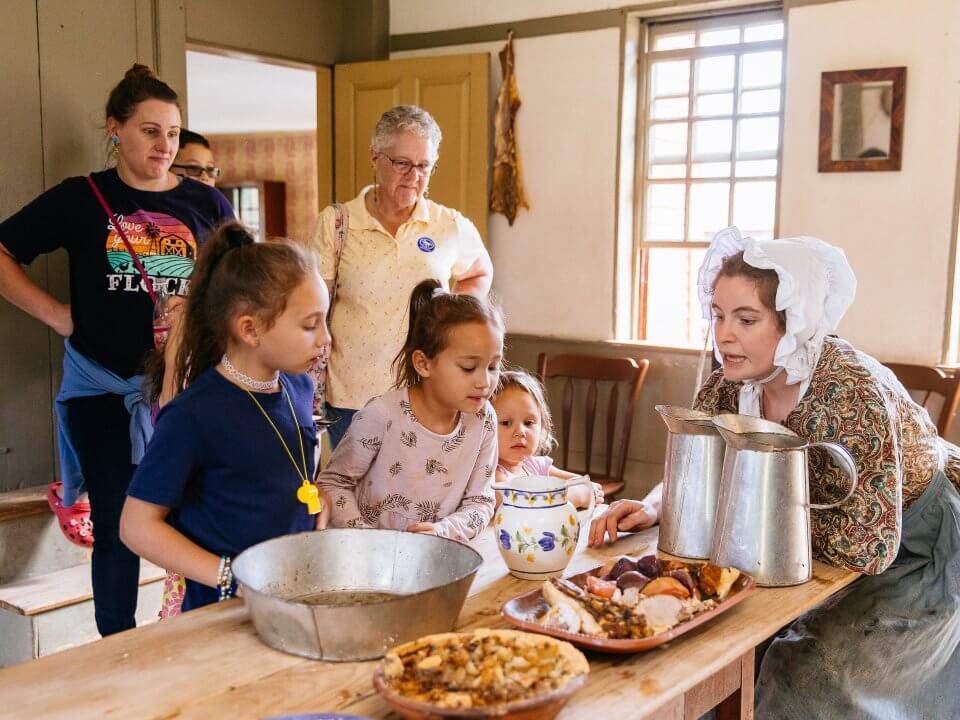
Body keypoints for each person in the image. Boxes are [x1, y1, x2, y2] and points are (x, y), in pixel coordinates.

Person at [589, 226, 960, 718]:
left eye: (747, 319)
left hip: (914, 550)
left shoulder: (852, 393)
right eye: (718, 315)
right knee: (707, 650)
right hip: (803, 552)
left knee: (808, 677)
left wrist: (757, 533)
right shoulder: (727, 387)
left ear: (793, 323)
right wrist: (655, 506)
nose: (724, 334)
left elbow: (867, 546)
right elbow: (703, 466)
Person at [0, 63, 234, 636]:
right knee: (116, 518)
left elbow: (242, 286)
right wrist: (58, 315)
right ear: (115, 129)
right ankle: (117, 644)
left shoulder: (208, 205)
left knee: (198, 511)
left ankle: (200, 628)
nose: (164, 145)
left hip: (187, 392)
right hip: (105, 391)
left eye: (173, 132)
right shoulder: (82, 198)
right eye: (150, 130)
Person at [121, 222, 330, 612]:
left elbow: (288, 473)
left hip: (293, 595)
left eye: (325, 321)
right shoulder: (192, 415)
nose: (326, 339)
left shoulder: (298, 387)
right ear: (249, 329)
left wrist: (319, 501)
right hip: (223, 611)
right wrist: (230, 577)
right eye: (310, 325)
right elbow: (136, 526)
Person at [310, 105, 493, 448]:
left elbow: (479, 271)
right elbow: (314, 307)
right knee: (356, 497)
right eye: (402, 164)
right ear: (375, 158)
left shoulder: (448, 225)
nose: (414, 176)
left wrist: (454, 319)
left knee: (419, 498)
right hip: (353, 397)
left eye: (424, 166)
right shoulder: (337, 223)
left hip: (424, 395)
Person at [315, 279, 500, 541]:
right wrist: (369, 541)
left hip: (434, 559)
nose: (484, 382)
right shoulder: (381, 415)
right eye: (469, 368)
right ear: (423, 364)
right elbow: (333, 485)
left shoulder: (484, 419)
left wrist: (442, 532)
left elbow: (481, 502)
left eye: (493, 367)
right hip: (364, 562)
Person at [492, 370, 603, 509]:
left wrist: (584, 490)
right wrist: (579, 496)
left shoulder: (535, 465)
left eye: (528, 423)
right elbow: (522, 504)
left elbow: (582, 483)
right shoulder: (490, 475)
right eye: (506, 423)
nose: (520, 432)